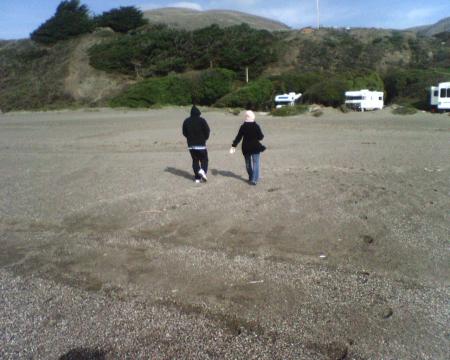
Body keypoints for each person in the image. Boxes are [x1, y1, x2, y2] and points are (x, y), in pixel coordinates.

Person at [230, 110, 266, 185]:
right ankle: (254, 179)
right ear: (253, 117)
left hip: (245, 147)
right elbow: (261, 137)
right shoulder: (256, 126)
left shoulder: (243, 126)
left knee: (248, 163)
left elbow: (238, 137)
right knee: (256, 163)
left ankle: (251, 177)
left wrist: (234, 145)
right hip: (255, 147)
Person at [182, 105, 210, 183]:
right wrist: (205, 138)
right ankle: (202, 171)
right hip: (201, 145)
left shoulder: (186, 121)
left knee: (195, 160)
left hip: (191, 145)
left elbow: (184, 132)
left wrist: (189, 138)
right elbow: (207, 131)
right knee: (204, 159)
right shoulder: (202, 120)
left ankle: (197, 178)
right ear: (198, 113)